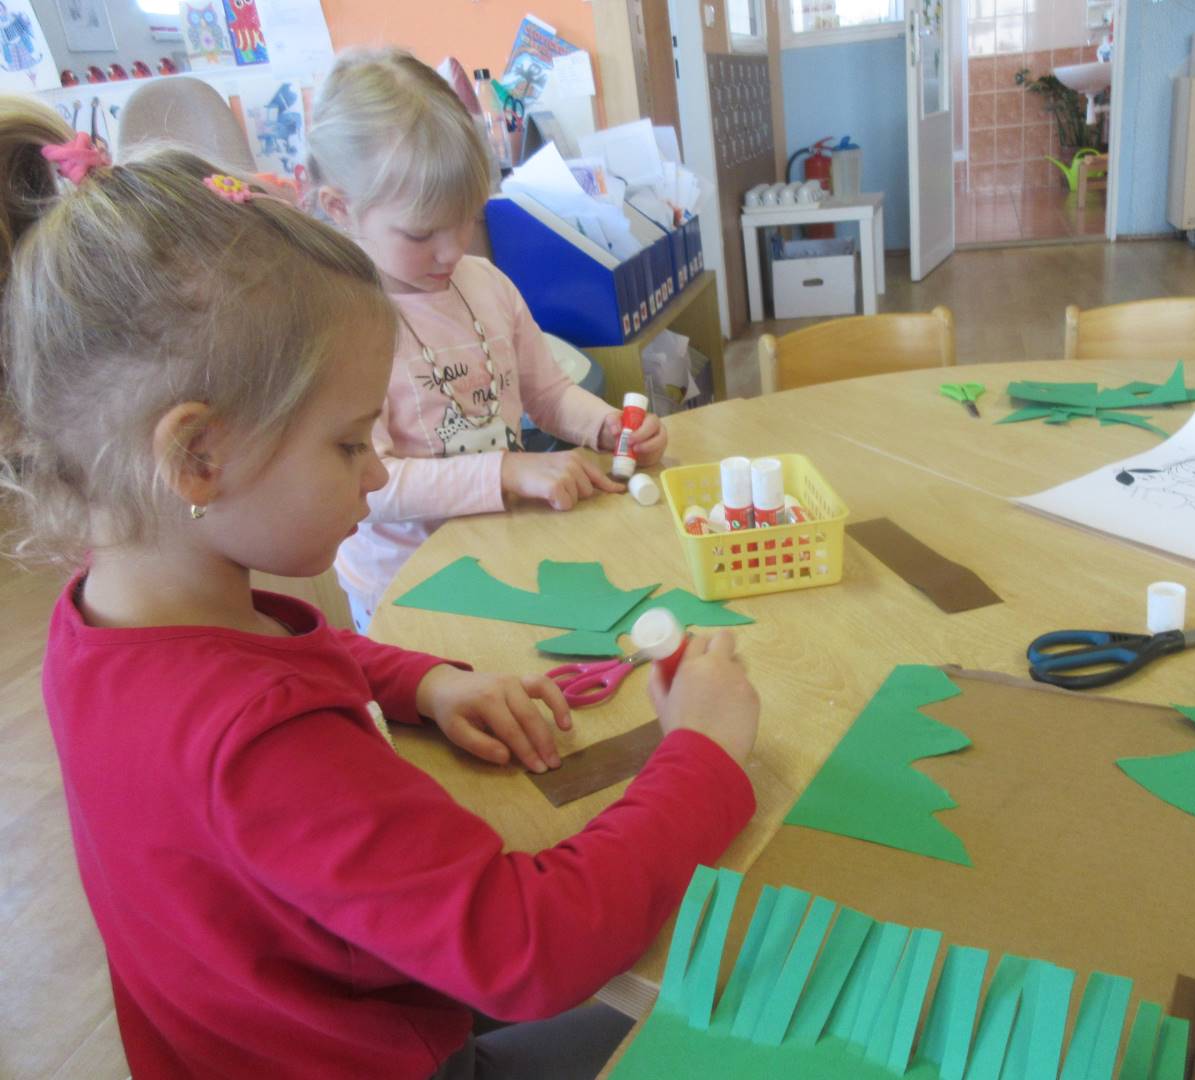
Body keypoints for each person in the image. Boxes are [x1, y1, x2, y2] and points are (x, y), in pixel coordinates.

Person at [1, 99, 758, 1078]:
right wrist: (702, 752)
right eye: (349, 442)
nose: (374, 474)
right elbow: (533, 947)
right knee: (747, 1036)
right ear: (197, 456)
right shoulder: (263, 747)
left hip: (275, 1032)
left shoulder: (104, 623)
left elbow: (261, 658)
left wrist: (422, 683)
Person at [306, 48, 667, 633]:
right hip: (407, 591)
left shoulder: (486, 284)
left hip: (507, 551)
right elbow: (368, 487)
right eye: (422, 233)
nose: (452, 251)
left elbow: (548, 393)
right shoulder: (337, 325)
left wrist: (606, 427)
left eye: (467, 221)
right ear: (341, 208)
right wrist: (504, 471)